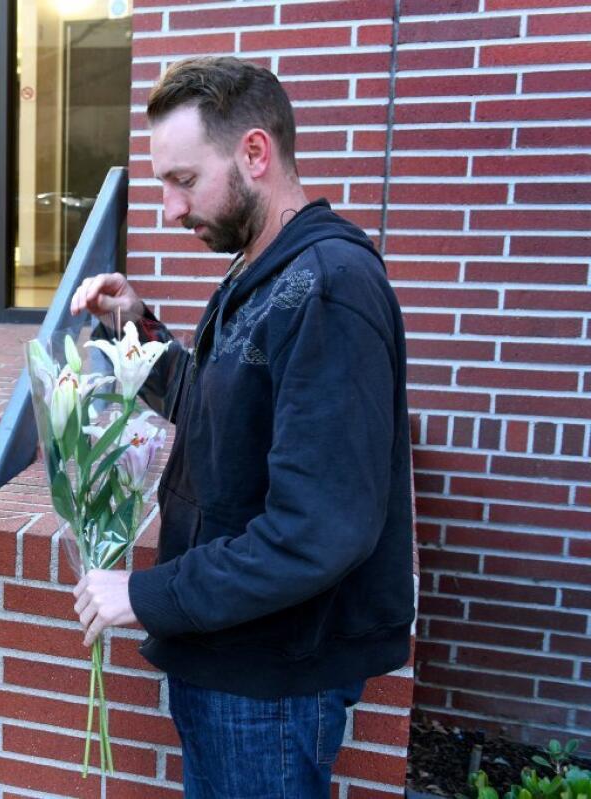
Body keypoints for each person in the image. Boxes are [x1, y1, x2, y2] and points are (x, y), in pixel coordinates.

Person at [70, 57, 415, 797]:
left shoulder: (326, 288)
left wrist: (148, 593)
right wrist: (134, 329)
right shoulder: (264, 272)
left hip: (271, 681)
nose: (167, 207)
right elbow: (220, 407)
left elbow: (316, 529)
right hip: (235, 661)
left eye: (184, 180)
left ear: (255, 152)